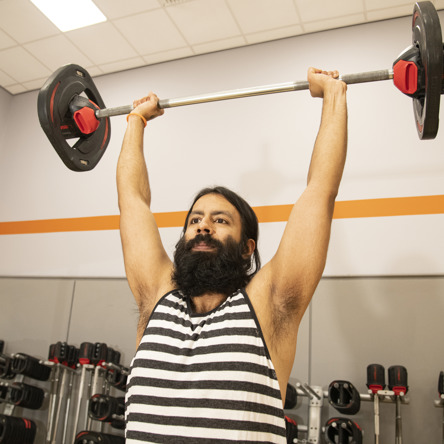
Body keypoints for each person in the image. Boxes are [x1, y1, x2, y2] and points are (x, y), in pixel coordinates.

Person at [117, 67, 347, 443]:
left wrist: (333, 95)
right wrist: (135, 121)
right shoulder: (157, 298)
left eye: (220, 220)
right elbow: (132, 202)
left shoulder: (267, 305)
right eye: (195, 220)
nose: (203, 227)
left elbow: (320, 190)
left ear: (247, 247)